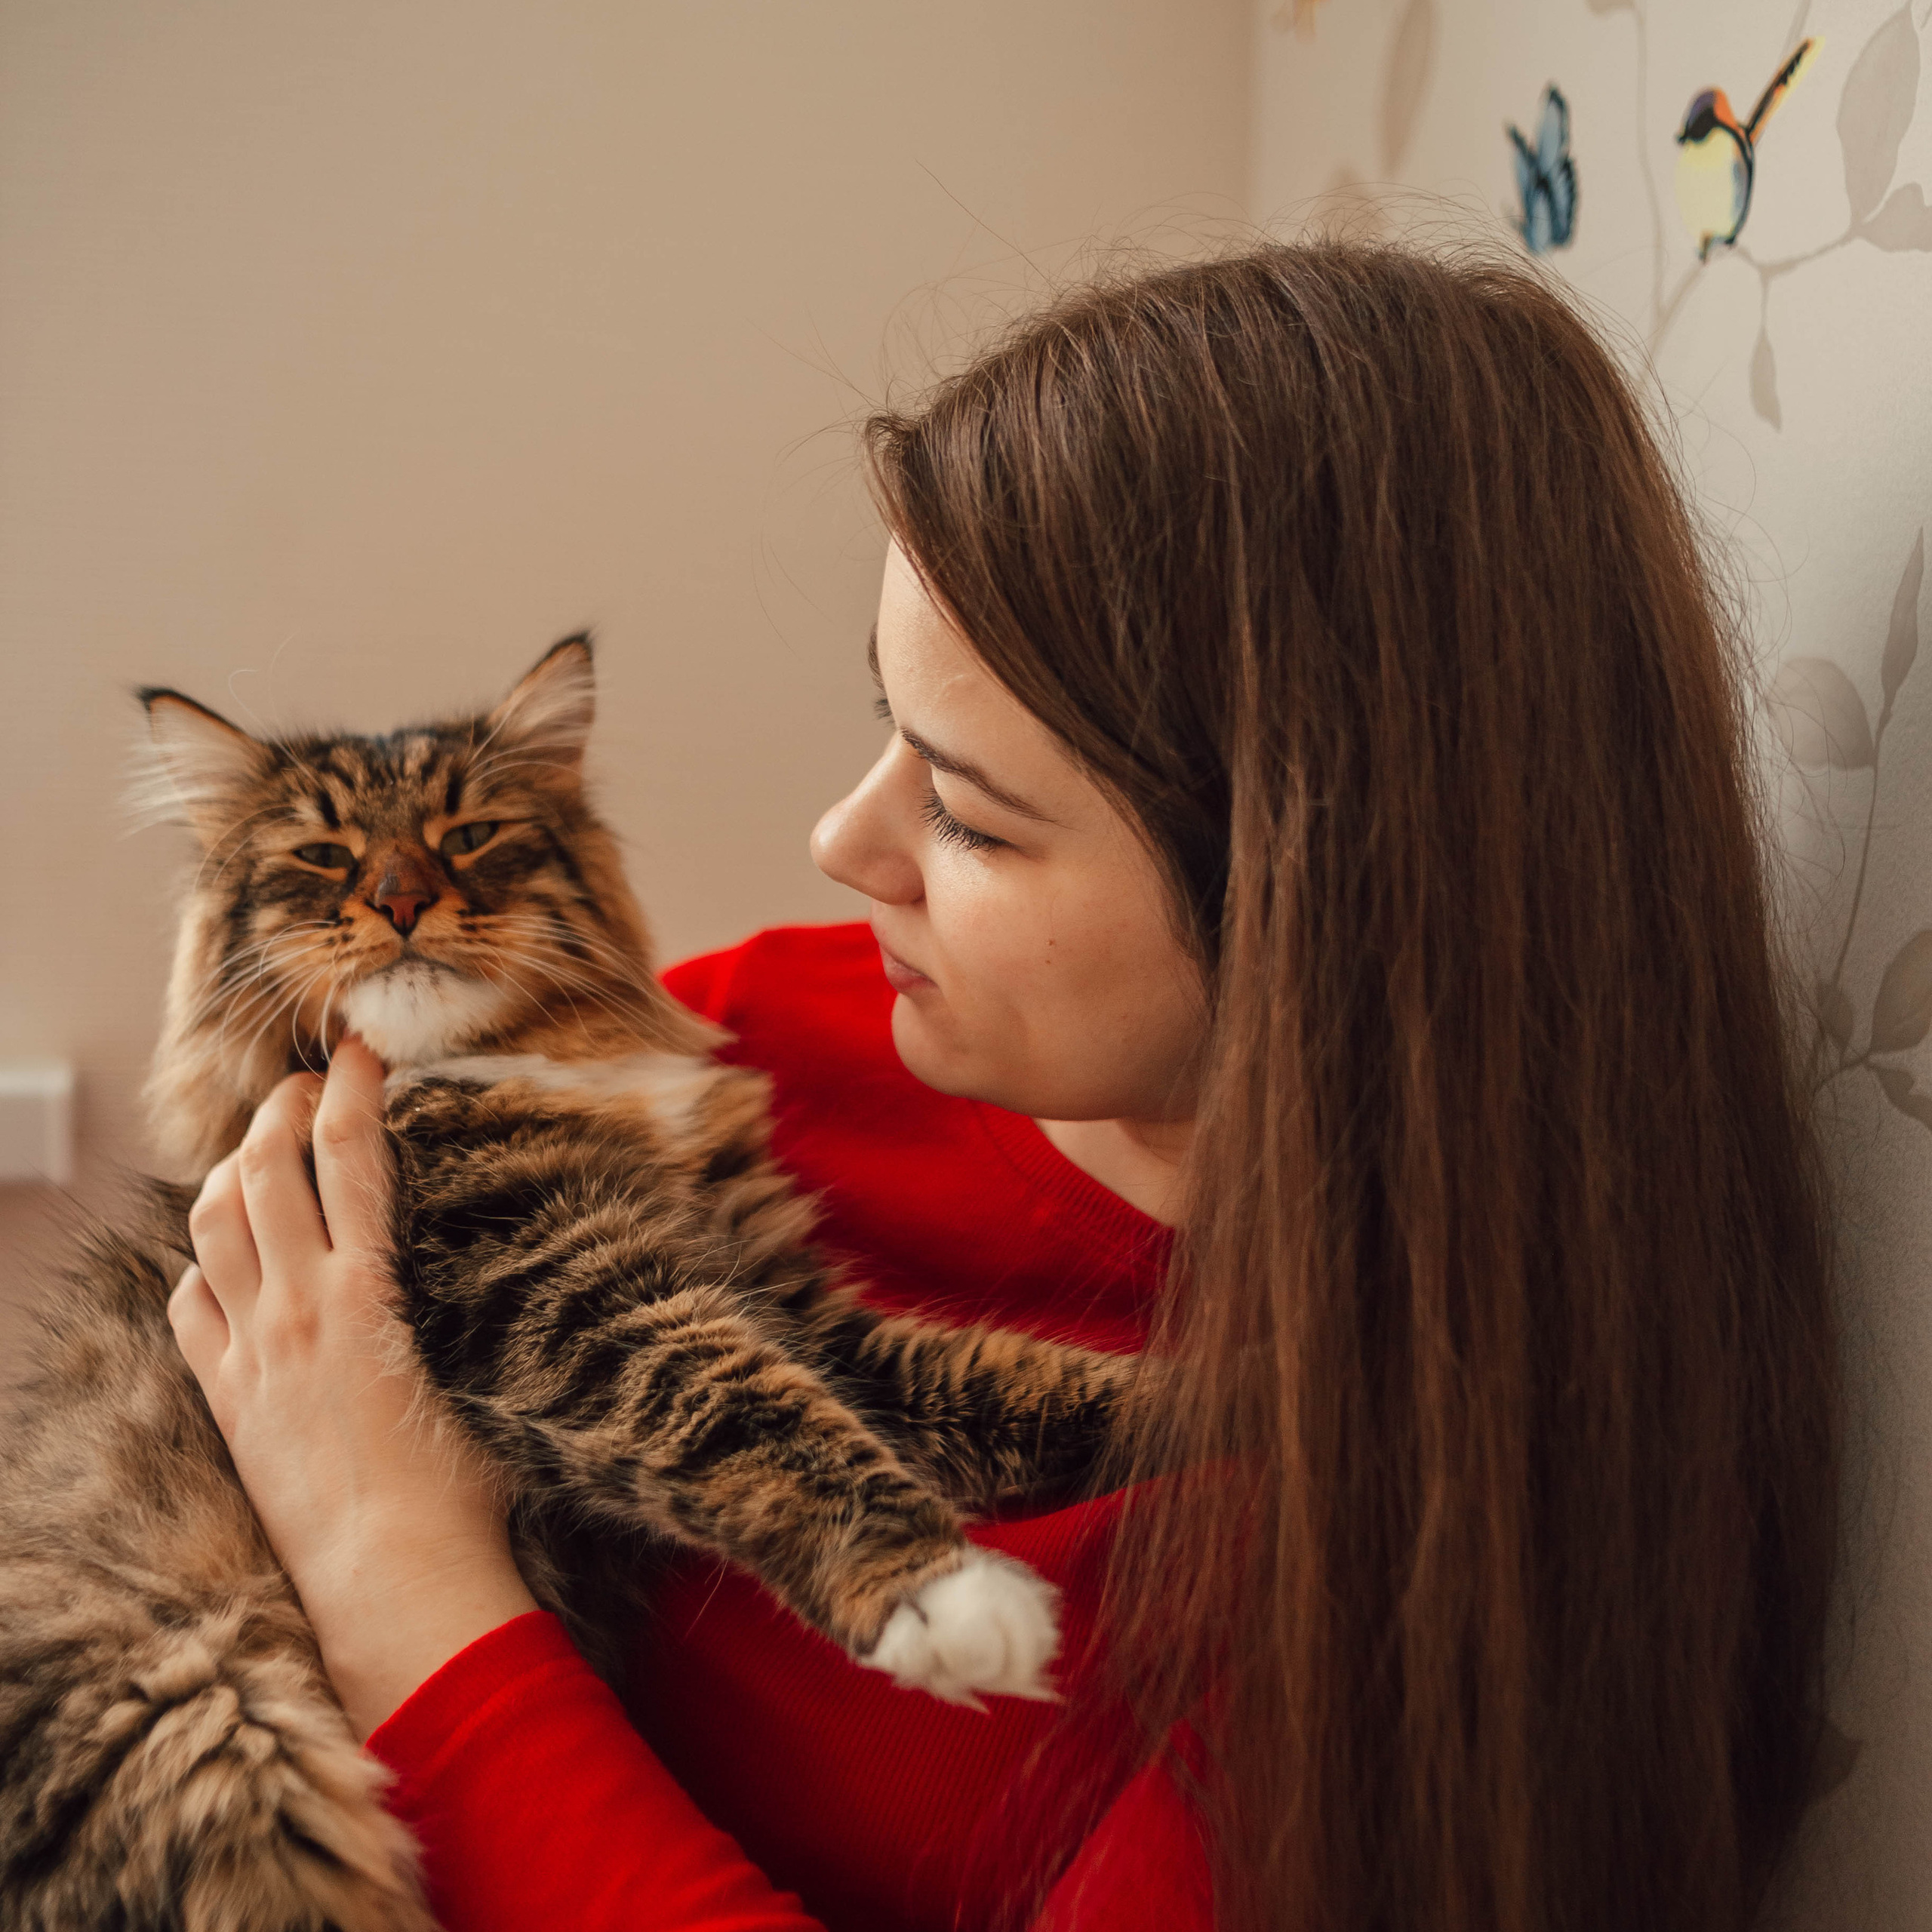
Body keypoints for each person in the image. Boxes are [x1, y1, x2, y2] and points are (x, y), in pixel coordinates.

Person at [168, 240, 1839, 1932]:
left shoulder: (1447, 1540)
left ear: (1309, 886)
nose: (839, 842)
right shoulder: (729, 1037)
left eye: (965, 810)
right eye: (883, 720)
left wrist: (397, 1573)